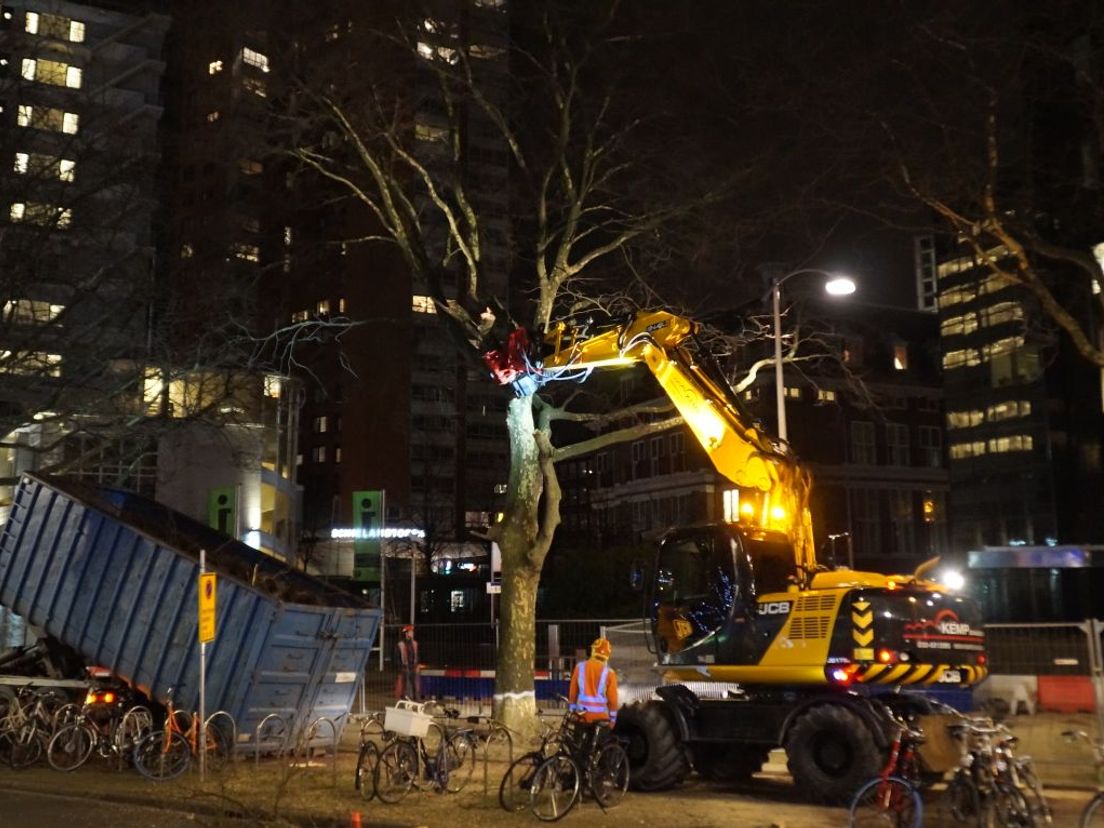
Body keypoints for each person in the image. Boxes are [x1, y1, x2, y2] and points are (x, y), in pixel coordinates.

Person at [568, 637, 619, 757]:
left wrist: (572, 710)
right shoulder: (609, 673)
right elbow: (613, 700)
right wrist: (612, 720)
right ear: (607, 655)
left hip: (582, 716)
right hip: (600, 719)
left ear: (593, 651)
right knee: (598, 753)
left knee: (578, 751)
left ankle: (576, 773)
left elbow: (573, 692)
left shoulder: (579, 667)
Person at [394, 624, 421, 700]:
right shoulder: (400, 645)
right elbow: (397, 657)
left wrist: (417, 665)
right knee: (405, 685)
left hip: (413, 667)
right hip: (404, 667)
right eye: (410, 632)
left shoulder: (415, 644)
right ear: (406, 633)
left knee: (415, 684)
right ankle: (405, 698)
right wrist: (400, 667)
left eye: (412, 632)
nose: (412, 633)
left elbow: (417, 655)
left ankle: (415, 698)